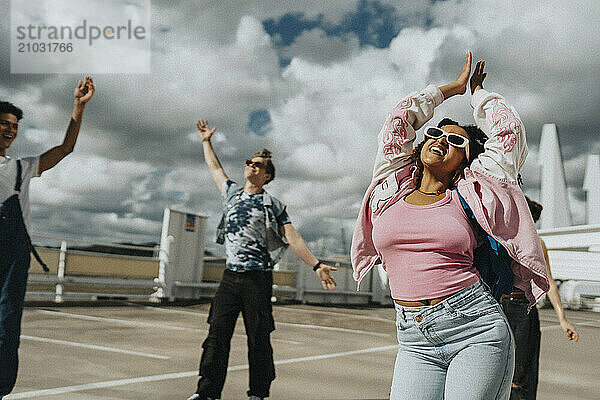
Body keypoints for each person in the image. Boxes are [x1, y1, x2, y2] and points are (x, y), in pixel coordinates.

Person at [351, 52, 549, 399]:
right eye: (436, 134)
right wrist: (449, 90)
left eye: (457, 141)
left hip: (475, 330)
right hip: (413, 339)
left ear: (466, 160)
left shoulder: (473, 192)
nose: (442, 140)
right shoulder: (390, 185)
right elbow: (398, 119)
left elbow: (509, 132)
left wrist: (477, 96)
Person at [187, 119, 338, 400]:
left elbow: (292, 236)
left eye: (257, 165)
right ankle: (207, 392)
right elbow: (214, 168)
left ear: (267, 175)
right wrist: (206, 141)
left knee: (258, 339)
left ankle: (258, 394)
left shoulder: (273, 204)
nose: (251, 166)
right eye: (249, 162)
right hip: (230, 278)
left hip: (258, 279)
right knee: (216, 336)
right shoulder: (231, 193)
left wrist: (316, 265)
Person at [0, 76, 95, 398]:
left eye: (14, 126)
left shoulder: (20, 168)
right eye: (3, 124)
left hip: (12, 255)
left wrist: (78, 107)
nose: (9, 130)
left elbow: (66, 148)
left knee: (6, 325)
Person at [501, 196, 579, 400]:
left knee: (520, 377)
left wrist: (563, 319)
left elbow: (549, 281)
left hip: (523, 311)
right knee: (497, 373)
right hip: (497, 308)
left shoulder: (537, 243)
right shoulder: (499, 238)